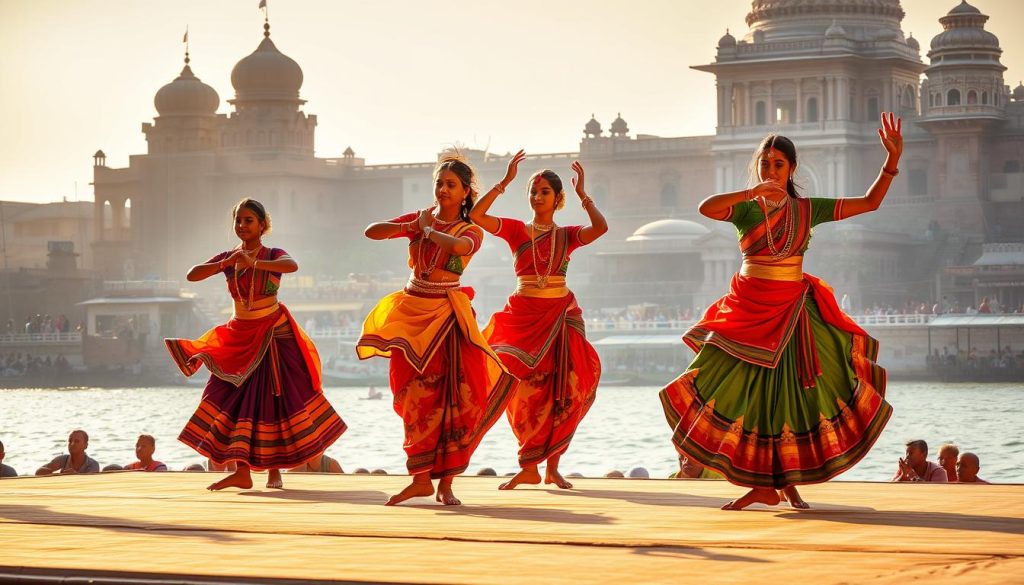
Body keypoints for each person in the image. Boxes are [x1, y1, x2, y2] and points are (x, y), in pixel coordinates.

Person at [660, 113, 903, 511]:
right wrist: (749, 192)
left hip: (793, 315)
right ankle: (764, 485)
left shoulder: (809, 209)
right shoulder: (746, 210)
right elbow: (706, 207)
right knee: (745, 396)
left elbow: (870, 202)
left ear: (791, 168)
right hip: (748, 313)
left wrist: (890, 162)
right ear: (757, 167)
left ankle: (783, 483)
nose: (771, 170)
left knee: (791, 399)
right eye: (765, 163)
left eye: (778, 164)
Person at [358, 152, 515, 506]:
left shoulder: (469, 229)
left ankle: (445, 484)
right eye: (439, 184)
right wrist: (410, 227)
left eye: (451, 185)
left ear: (465, 193)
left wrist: (427, 230)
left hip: (446, 316)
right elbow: (372, 231)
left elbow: (460, 247)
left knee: (452, 398)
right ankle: (419, 479)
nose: (443, 190)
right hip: (412, 312)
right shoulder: (420, 218)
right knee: (412, 396)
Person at [166, 198, 347, 491]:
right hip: (239, 335)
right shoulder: (230, 258)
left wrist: (255, 262)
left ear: (263, 225)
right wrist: (225, 263)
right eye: (238, 220)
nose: (242, 226)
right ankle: (243, 471)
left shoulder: (273, 254)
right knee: (227, 396)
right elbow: (192, 274)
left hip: (273, 334)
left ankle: (273, 472)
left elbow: (292, 265)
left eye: (249, 220)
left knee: (272, 400)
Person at [470, 153, 606, 491]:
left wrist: (584, 195)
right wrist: (504, 182)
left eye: (544, 191)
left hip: (561, 316)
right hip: (522, 317)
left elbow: (601, 228)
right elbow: (476, 215)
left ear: (557, 199)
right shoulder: (517, 231)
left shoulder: (568, 235)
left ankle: (551, 467)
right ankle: (528, 463)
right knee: (519, 385)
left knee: (562, 389)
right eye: (533, 191)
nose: (537, 197)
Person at [36, 429, 100, 475]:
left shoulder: (93, 464)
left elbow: (89, 483)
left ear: (85, 445)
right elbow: (38, 472)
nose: (72, 444)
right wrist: (58, 474)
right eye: (70, 441)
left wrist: (75, 475)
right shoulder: (62, 460)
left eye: (77, 441)